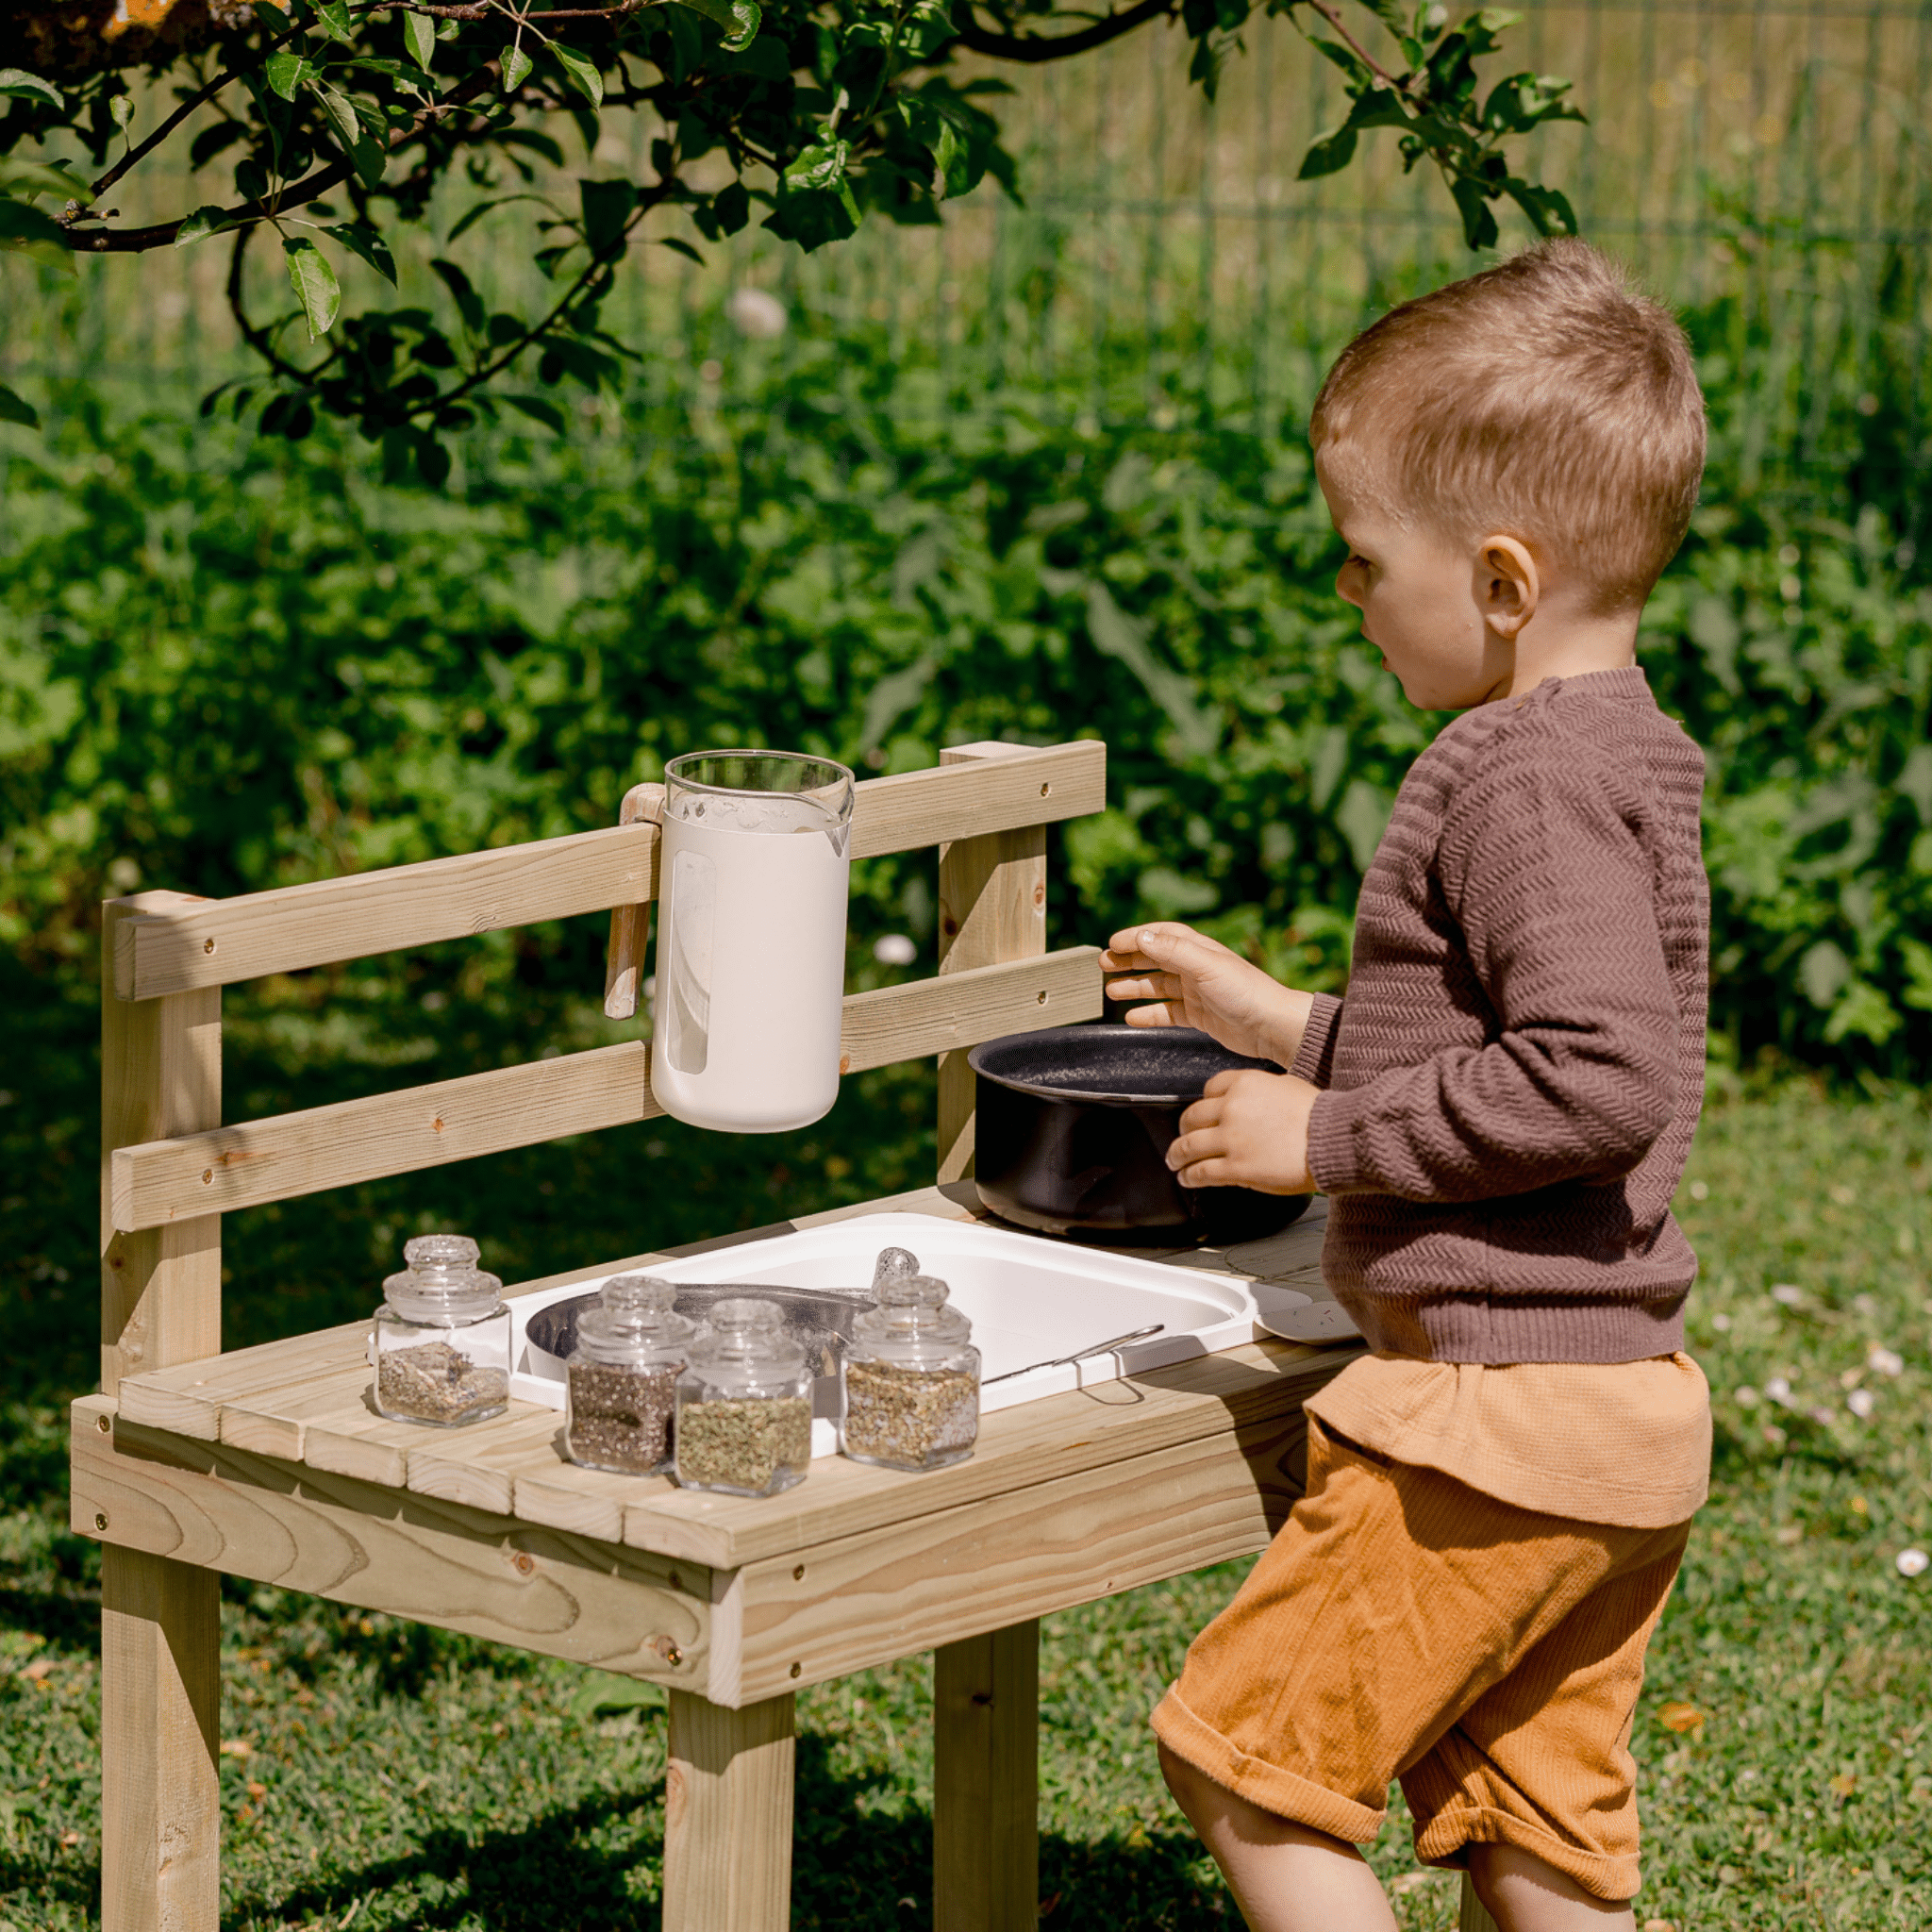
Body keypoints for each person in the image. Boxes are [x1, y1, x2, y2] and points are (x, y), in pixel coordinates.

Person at [1100, 239, 1712, 1932]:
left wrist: (1326, 1134)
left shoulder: (1515, 772)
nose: (1347, 593)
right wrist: (1284, 1024)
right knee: (1537, 1832)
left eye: (1365, 559)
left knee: (1248, 1766)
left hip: (1489, 1421)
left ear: (1503, 581)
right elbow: (1519, 1040)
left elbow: (1595, 1077)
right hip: (1614, 1414)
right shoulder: (1626, 748)